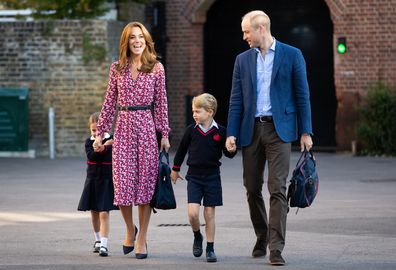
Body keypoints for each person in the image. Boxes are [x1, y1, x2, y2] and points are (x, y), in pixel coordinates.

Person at [225, 10, 313, 265]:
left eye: (246, 31)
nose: (244, 37)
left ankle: (276, 247)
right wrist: (231, 132)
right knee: (252, 188)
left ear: (261, 28)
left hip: (280, 130)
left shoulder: (292, 54)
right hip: (250, 130)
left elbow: (302, 95)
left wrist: (305, 131)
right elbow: (236, 100)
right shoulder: (242, 60)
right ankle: (262, 234)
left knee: (277, 188)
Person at [93, 21, 171, 260]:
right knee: (124, 185)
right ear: (125, 42)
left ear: (146, 41)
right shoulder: (117, 68)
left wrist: (164, 133)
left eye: (141, 37)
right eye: (132, 37)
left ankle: (142, 238)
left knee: (145, 187)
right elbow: (108, 104)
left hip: (146, 128)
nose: (137, 41)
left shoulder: (156, 68)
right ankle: (129, 229)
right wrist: (100, 134)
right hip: (124, 128)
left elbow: (161, 103)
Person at [171, 93, 236, 263]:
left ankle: (210, 248)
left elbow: (228, 154)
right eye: (193, 111)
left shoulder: (220, 131)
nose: (194, 114)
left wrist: (231, 149)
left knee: (209, 214)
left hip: (213, 177)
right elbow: (181, 151)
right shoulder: (191, 130)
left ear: (210, 112)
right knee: (193, 214)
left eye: (198, 111)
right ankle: (197, 235)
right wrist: (175, 170)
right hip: (194, 176)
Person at [77, 112, 119, 257]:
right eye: (93, 130)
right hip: (93, 180)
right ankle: (97, 239)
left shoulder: (112, 140)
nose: (96, 133)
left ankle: (104, 244)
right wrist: (102, 147)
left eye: (99, 130)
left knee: (104, 212)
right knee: (94, 212)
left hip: (107, 181)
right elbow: (92, 156)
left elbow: (113, 152)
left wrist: (106, 146)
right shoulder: (89, 142)